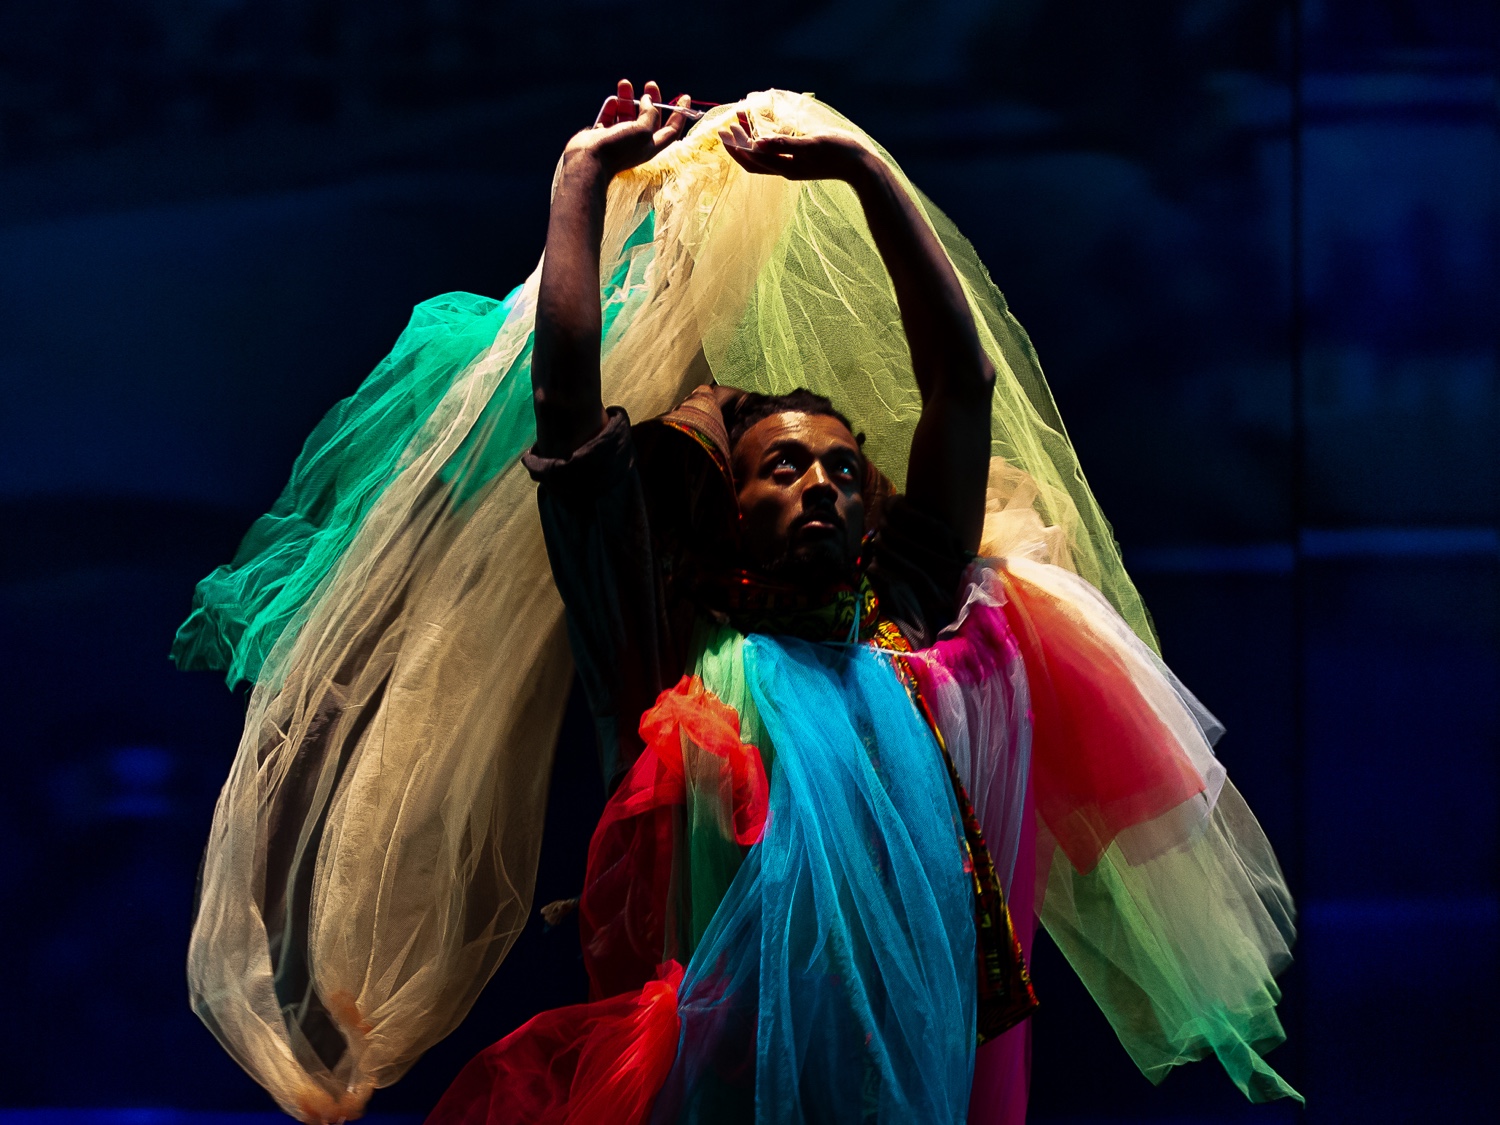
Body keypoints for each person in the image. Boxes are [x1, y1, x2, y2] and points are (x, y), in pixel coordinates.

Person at [174, 82, 1299, 1125]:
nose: (820, 483)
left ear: (877, 511)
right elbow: (567, 408)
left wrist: (866, 177)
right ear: (730, 504)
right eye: (783, 468)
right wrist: (581, 181)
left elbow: (964, 386)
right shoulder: (667, 649)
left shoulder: (910, 618)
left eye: (845, 471)